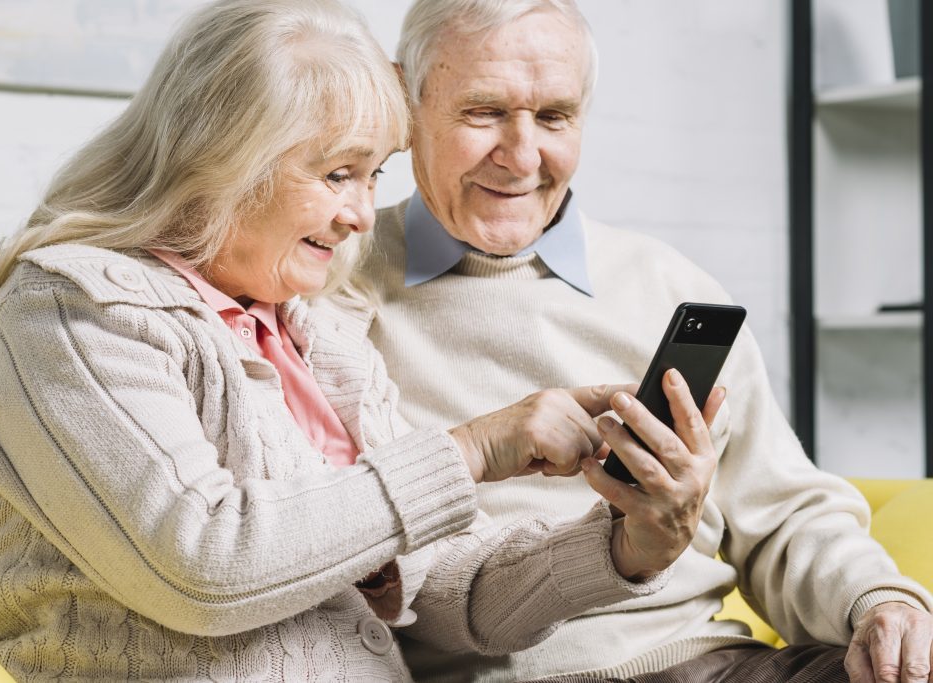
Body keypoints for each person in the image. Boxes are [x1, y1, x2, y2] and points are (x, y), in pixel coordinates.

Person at [0, 1, 720, 680]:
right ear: (224, 159)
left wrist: (625, 546)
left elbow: (448, 589)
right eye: (338, 173)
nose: (360, 213)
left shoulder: (312, 332)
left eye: (375, 175)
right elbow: (204, 564)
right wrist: (474, 448)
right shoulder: (71, 310)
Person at [361, 1, 933, 682]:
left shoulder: (669, 286)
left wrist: (879, 601)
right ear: (405, 99)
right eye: (483, 112)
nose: (521, 157)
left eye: (553, 117)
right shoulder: (332, 289)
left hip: (713, 664)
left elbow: (783, 517)